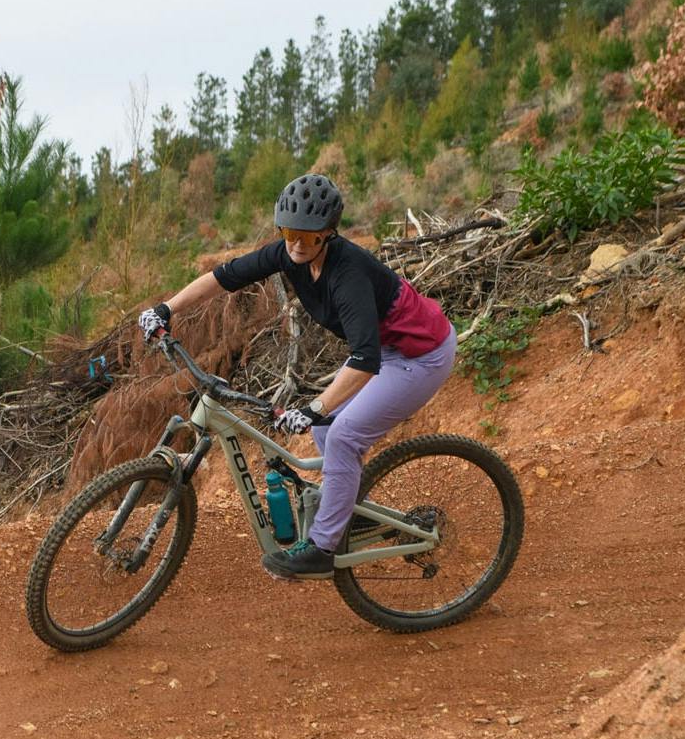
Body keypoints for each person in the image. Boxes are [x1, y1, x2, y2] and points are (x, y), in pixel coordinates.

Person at [138, 173, 454, 579]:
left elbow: (365, 358)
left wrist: (314, 406)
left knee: (341, 433)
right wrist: (167, 308)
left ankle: (322, 550)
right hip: (387, 351)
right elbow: (224, 276)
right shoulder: (288, 254)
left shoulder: (349, 274)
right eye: (288, 232)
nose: (296, 243)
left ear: (328, 233)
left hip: (422, 355)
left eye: (308, 236)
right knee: (326, 433)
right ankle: (354, 517)